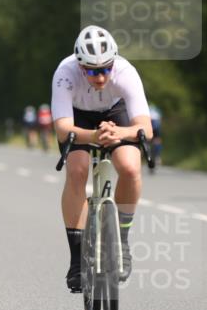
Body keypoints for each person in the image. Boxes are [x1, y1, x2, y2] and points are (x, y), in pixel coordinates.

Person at [52, 25, 152, 293]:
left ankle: (122, 240)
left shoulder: (126, 72)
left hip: (115, 113)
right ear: (80, 66)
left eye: (106, 69)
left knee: (130, 168)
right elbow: (62, 129)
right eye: (92, 71)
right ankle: (76, 261)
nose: (100, 76)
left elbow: (145, 127)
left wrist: (120, 132)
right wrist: (95, 135)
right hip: (79, 118)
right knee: (77, 170)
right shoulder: (65, 73)